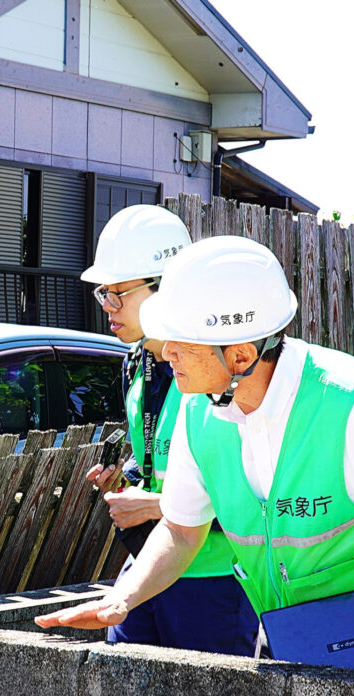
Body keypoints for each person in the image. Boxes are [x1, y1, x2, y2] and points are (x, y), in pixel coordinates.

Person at [39, 235, 354, 679]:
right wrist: (125, 597)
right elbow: (180, 528)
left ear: (241, 355)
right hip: (303, 651)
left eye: (182, 342)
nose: (166, 351)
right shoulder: (198, 410)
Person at [80, 206, 257, 656]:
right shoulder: (135, 364)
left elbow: (254, 497)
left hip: (215, 581)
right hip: (147, 568)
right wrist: (128, 487)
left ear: (164, 288)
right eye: (104, 295)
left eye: (118, 294)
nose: (108, 309)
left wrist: (155, 506)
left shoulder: (220, 370)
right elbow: (154, 464)